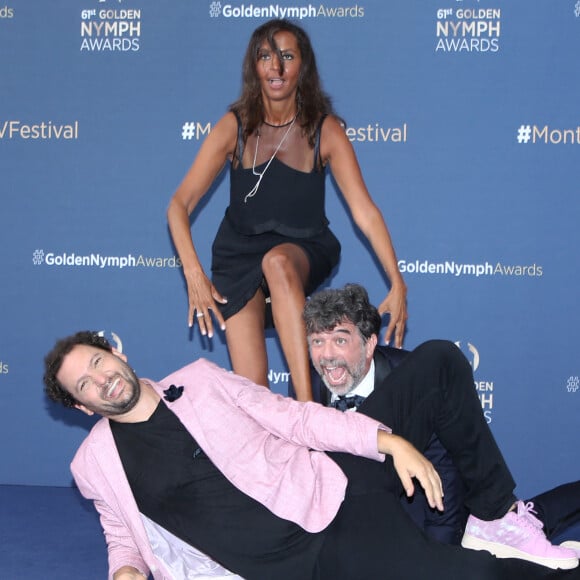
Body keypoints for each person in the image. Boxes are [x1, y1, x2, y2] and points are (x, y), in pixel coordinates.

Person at [44, 332, 580, 580]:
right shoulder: (93, 466)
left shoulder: (198, 381)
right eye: (84, 383)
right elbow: (122, 536)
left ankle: (493, 514)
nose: (102, 379)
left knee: (438, 360)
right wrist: (127, 574)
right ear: (81, 406)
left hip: (331, 494)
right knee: (473, 578)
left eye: (98, 360)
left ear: (117, 351)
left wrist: (384, 441)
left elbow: (293, 418)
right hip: (300, 563)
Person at [167, 18, 407, 402]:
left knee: (277, 263)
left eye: (287, 57)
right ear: (254, 66)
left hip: (302, 247)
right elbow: (178, 205)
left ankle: (307, 406)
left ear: (303, 67)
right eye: (265, 56)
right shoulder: (235, 126)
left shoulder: (324, 130)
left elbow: (365, 211)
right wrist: (193, 274)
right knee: (253, 396)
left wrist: (397, 281)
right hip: (238, 257)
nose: (275, 68)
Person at [303, 283, 580, 570]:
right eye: (317, 342)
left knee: (533, 536)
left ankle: (500, 518)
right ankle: (501, 518)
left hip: (408, 525)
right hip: (343, 515)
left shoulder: (418, 380)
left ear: (370, 343)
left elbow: (443, 477)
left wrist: (439, 560)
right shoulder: (306, 383)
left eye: (339, 340)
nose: (326, 355)